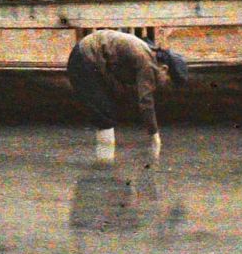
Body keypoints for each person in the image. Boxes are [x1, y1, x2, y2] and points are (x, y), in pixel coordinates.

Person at [64, 29, 189, 163]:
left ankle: (105, 160)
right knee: (105, 116)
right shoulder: (148, 62)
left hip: (87, 56)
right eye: (168, 81)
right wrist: (154, 136)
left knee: (108, 111)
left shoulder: (147, 53)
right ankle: (105, 165)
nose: (165, 86)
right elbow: (146, 101)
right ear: (164, 68)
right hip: (84, 58)